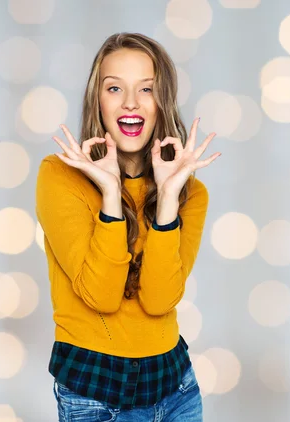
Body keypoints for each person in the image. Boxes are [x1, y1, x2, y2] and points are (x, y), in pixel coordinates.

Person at [35, 32, 220, 421]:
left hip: (174, 387)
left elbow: (158, 300)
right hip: (95, 392)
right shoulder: (59, 176)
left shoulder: (191, 192)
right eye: (115, 87)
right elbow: (99, 296)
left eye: (146, 89)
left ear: (161, 101)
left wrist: (168, 198)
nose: (131, 103)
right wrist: (110, 192)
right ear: (97, 100)